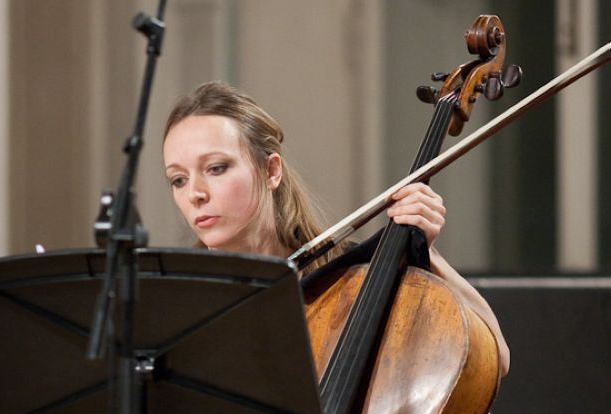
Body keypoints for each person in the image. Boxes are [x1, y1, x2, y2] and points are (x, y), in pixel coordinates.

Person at [162, 80, 509, 377]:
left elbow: (495, 358)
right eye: (178, 179)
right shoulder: (175, 305)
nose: (195, 194)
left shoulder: (347, 280)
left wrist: (426, 253)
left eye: (216, 168)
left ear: (271, 171)